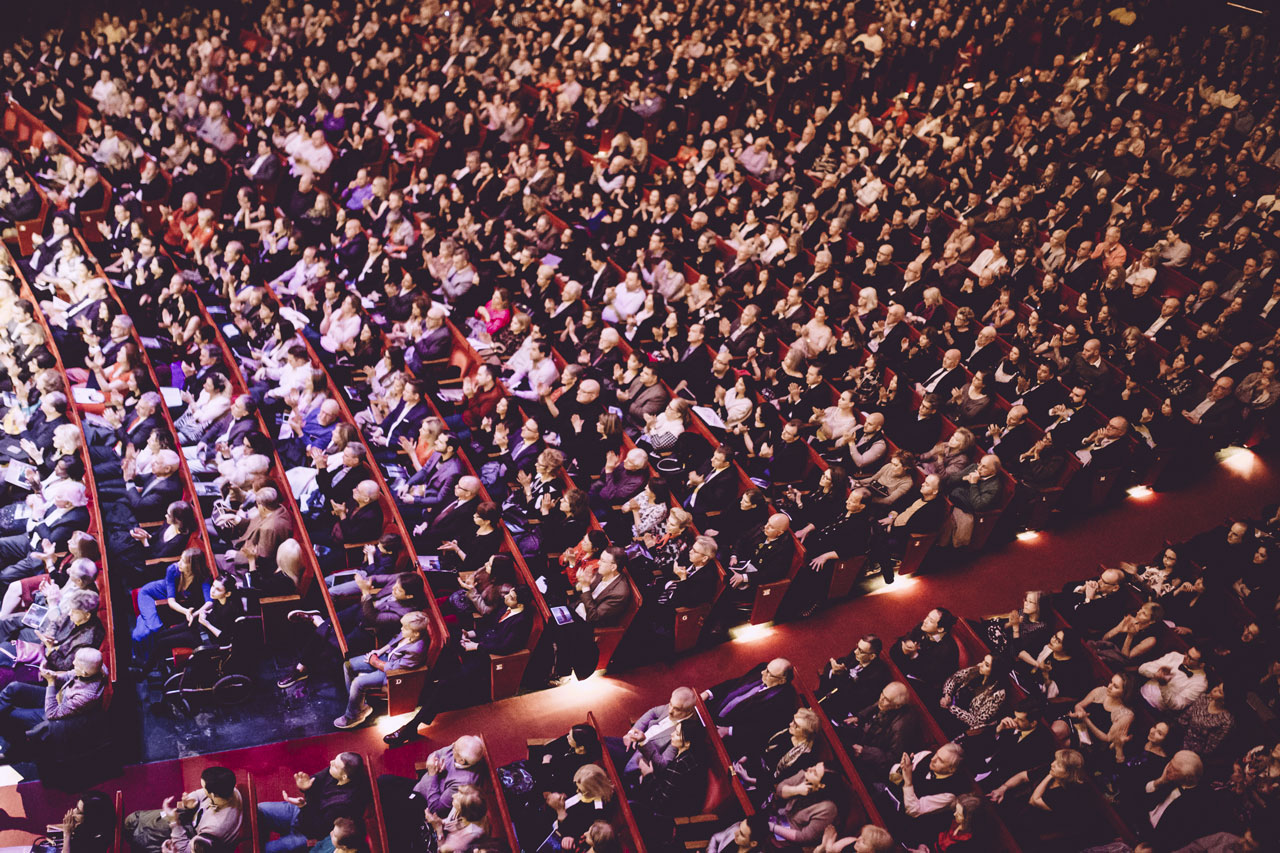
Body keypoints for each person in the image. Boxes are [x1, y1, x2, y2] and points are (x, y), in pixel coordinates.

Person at [378, 736, 485, 848]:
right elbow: (435, 755)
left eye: (454, 748)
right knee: (384, 781)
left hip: (424, 802)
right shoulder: (458, 748)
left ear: (462, 760)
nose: (451, 746)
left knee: (391, 812)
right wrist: (431, 763)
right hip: (421, 784)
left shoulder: (463, 782)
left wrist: (433, 774)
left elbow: (436, 808)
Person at [257, 754, 371, 853]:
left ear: (344, 777)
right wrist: (305, 787)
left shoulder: (344, 804)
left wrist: (304, 804)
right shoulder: (335, 772)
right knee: (260, 809)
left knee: (265, 850)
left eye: (335, 765)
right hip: (302, 811)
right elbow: (315, 781)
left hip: (308, 833)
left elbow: (315, 827)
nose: (331, 763)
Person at [124, 766, 243, 853]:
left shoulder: (215, 829)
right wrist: (191, 800)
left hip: (191, 836)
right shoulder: (230, 790)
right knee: (134, 819)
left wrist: (174, 823)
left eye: (203, 787)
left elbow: (184, 850)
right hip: (190, 818)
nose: (201, 789)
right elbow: (199, 793)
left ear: (213, 795)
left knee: (139, 839)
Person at [701, 658, 796, 752]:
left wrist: (728, 730)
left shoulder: (784, 701)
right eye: (766, 669)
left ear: (782, 681)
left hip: (729, 731)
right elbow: (736, 683)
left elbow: (761, 729)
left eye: (768, 673)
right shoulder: (763, 668)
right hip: (715, 707)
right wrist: (708, 693)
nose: (762, 672)